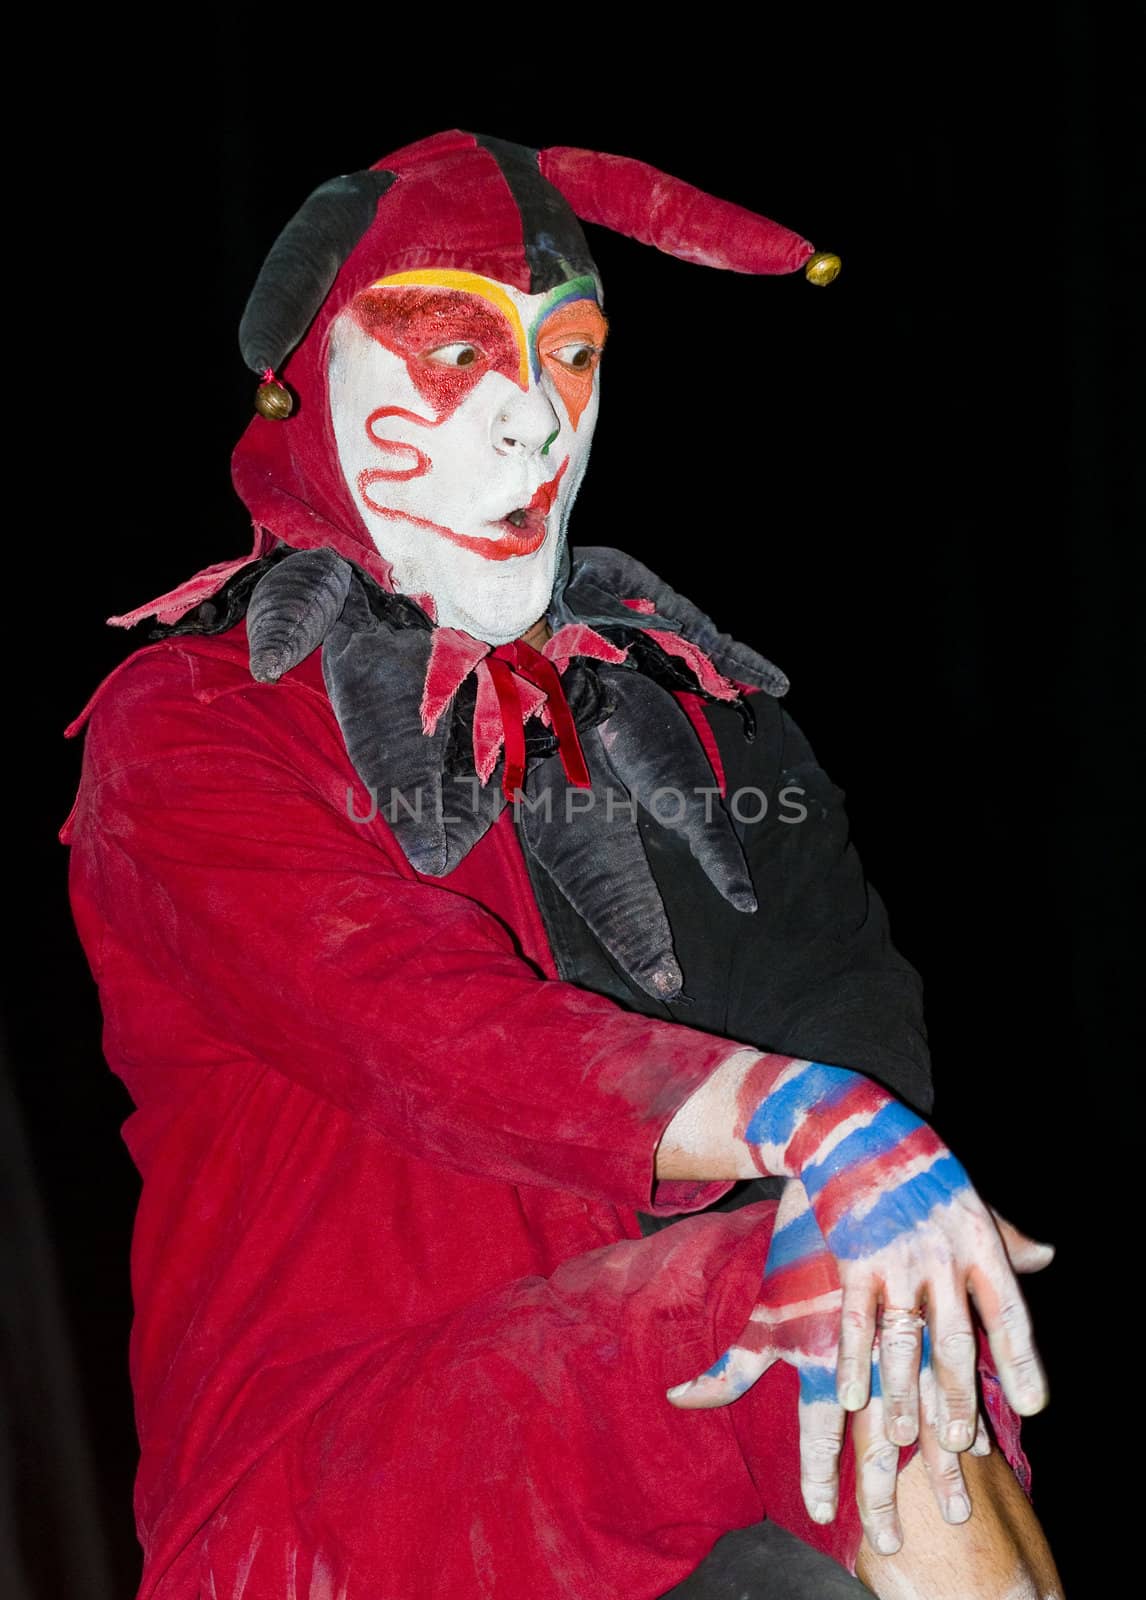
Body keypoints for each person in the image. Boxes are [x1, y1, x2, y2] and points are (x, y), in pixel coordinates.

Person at [62, 130, 1063, 1598]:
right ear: (299, 382)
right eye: (454, 352)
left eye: (572, 355)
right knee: (819, 1272)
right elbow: (409, 1019)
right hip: (325, 1496)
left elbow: (848, 1022)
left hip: (671, 1456)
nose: (530, 423)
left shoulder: (707, 736)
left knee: (870, 1305)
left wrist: (849, 1162)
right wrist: (799, 1125)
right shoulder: (192, 723)